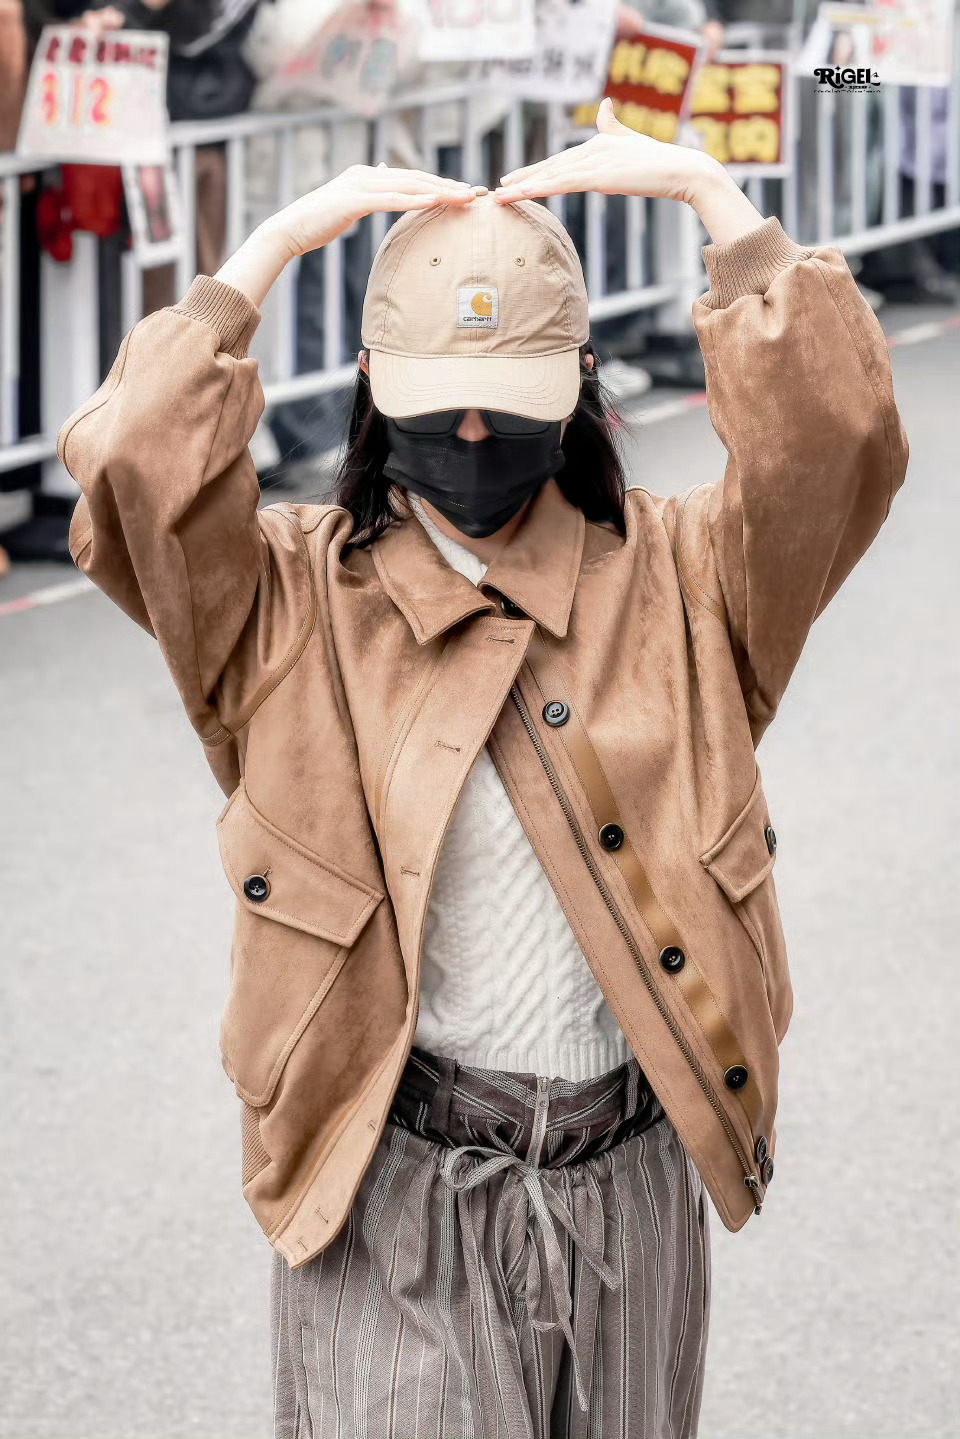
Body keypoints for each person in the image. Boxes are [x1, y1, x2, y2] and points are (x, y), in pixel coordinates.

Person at [58, 98, 908, 1438]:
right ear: (370, 388)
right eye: (435, 403)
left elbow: (838, 444)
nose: (467, 438)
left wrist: (715, 200)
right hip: (393, 1191)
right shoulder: (285, 605)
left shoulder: (691, 581)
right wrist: (270, 249)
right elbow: (127, 471)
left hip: (630, 1185)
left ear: (579, 388)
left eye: (505, 408)